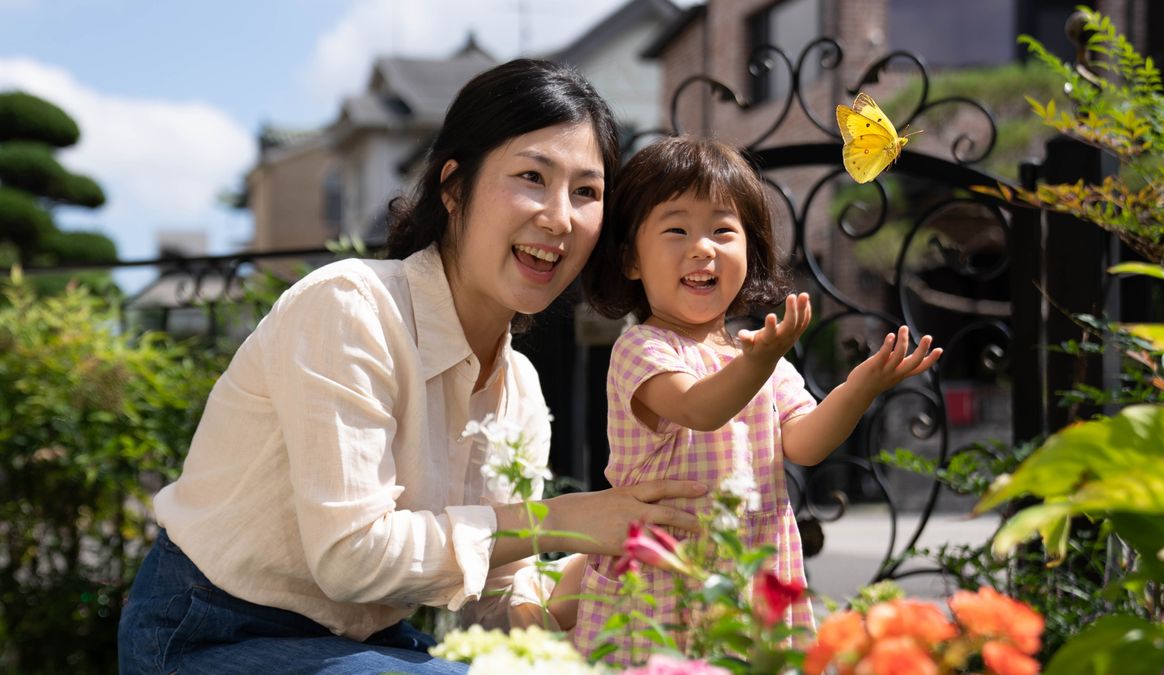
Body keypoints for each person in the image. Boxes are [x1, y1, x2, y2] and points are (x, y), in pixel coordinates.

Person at [117, 59, 709, 675]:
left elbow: (492, 603)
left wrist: (610, 568)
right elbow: (351, 556)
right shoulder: (350, 307)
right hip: (206, 633)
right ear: (453, 187)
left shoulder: (521, 391)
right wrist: (562, 520)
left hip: (359, 642)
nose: (560, 217)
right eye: (533, 176)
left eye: (586, 192)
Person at [571, 136, 942, 663]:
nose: (703, 248)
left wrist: (860, 387)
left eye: (723, 230)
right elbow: (700, 408)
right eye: (676, 230)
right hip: (661, 580)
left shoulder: (757, 356)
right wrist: (759, 362)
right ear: (631, 258)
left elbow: (806, 443)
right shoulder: (643, 347)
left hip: (752, 573)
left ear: (750, 250)